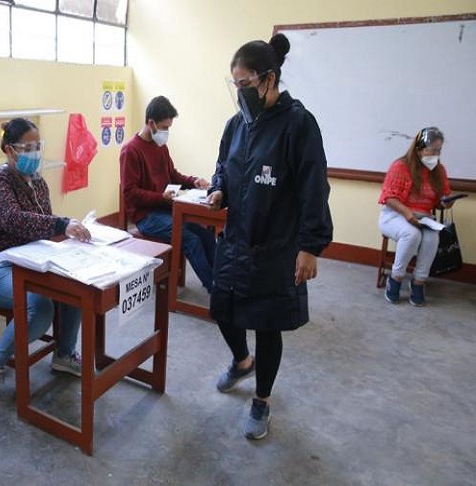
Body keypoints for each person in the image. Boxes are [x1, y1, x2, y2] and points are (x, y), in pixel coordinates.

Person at [206, 34, 333, 440]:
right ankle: (242, 361)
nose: (240, 92)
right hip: (236, 238)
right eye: (235, 84)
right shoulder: (236, 125)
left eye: (245, 83)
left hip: (276, 245)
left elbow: (315, 187)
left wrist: (311, 247)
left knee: (266, 324)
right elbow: (223, 165)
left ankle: (261, 401)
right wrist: (218, 186)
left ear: (268, 78)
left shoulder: (298, 125)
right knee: (222, 309)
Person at [0, 118, 91, 402]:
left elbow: (44, 224)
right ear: (10, 150)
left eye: (38, 146)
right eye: (29, 147)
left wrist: (67, 238)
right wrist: (61, 224)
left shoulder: (38, 182)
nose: (35, 153)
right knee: (40, 307)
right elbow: (14, 221)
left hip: (28, 261)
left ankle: (63, 354)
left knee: (74, 286)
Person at [120, 96, 216, 293]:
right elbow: (130, 193)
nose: (166, 132)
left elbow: (173, 174)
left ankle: (221, 283)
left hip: (165, 210)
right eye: (164, 127)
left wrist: (194, 181)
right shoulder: (131, 150)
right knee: (191, 240)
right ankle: (215, 291)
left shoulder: (160, 146)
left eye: (169, 128)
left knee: (205, 233)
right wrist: (160, 198)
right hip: (146, 217)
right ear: (150, 123)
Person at [378, 126, 453, 306]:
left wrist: (447, 202)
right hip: (395, 215)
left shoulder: (439, 171)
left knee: (432, 239)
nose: (435, 155)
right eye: (432, 150)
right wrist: (407, 213)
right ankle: (395, 278)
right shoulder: (400, 166)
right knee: (412, 235)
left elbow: (442, 197)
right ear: (419, 149)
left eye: (439, 150)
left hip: (423, 218)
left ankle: (419, 281)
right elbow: (389, 198)